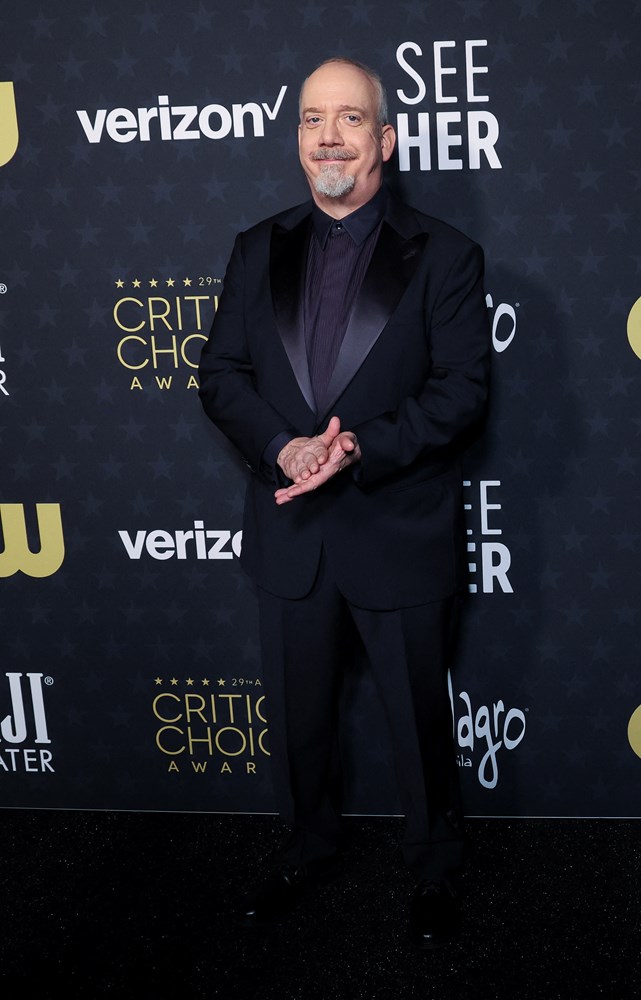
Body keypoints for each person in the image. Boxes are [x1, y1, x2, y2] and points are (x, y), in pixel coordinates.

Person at [198, 56, 491, 948]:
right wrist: (282, 446)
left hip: (395, 527)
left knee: (417, 716)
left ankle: (434, 866)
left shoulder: (445, 254)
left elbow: (461, 391)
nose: (328, 136)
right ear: (296, 138)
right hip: (291, 526)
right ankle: (306, 847)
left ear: (385, 140)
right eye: (311, 119)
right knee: (299, 720)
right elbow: (221, 374)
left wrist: (359, 445)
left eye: (350, 118)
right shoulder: (255, 247)